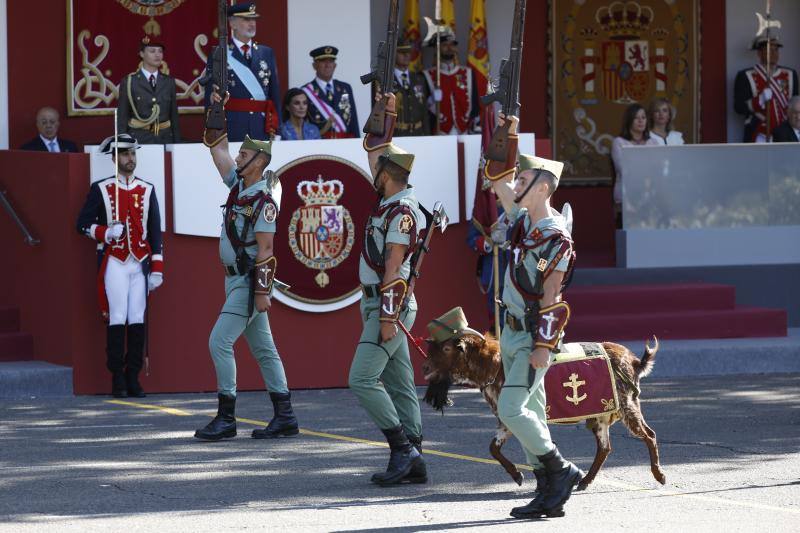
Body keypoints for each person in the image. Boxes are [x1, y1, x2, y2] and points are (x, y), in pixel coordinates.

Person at [488, 115, 582, 519]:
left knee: (511, 409)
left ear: (542, 188)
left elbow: (551, 296)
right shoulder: (525, 221)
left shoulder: (555, 237)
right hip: (511, 332)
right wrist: (506, 132)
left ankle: (560, 470)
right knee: (534, 413)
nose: (515, 185)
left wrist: (543, 347)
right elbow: (497, 178)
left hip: (532, 337)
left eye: (523, 180)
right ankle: (548, 491)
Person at [195, 88, 298, 442]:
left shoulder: (264, 201)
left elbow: (267, 250)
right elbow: (218, 150)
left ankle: (227, 417)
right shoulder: (238, 185)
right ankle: (285, 416)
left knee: (219, 342)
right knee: (265, 349)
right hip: (235, 280)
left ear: (258, 161)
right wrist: (217, 111)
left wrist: (262, 293)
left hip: (249, 281)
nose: (237, 156)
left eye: (243, 154)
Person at [348, 91, 427, 486]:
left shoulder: (402, 211)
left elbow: (394, 269)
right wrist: (385, 113)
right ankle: (415, 456)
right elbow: (375, 151)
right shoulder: (390, 202)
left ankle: (402, 450)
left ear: (387, 175)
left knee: (362, 378)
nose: (372, 173)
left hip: (389, 305)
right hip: (382, 304)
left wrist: (386, 318)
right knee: (398, 382)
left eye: (377, 170)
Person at [75, 134, 164, 398]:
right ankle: (117, 377)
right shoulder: (101, 188)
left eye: (133, 153)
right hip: (114, 260)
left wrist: (157, 268)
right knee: (117, 316)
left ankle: (133, 376)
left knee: (137, 317)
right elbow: (81, 224)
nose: (130, 158)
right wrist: (104, 232)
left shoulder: (147, 189)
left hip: (140, 262)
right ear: (115, 158)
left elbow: (155, 232)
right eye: (125, 154)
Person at [203, 2, 281, 142]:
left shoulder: (266, 53)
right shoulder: (220, 53)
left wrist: (278, 129)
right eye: (246, 19)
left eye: (254, 19)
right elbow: (211, 95)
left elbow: (274, 94)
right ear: (232, 24)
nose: (252, 23)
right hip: (233, 127)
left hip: (261, 127)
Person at [117, 37, 181, 144]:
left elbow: (174, 117)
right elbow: (122, 118)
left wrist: (177, 144)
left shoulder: (168, 82)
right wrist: (122, 145)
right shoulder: (129, 82)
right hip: (139, 139)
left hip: (164, 138)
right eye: (152, 51)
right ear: (142, 54)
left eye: (160, 51)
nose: (157, 55)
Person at [734, 36, 798, 143]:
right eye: (769, 50)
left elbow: (796, 103)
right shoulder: (745, 75)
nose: (773, 53)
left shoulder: (790, 74)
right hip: (759, 133)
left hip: (786, 132)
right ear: (759, 53)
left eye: (776, 50)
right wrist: (759, 100)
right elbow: (739, 107)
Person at [423, 27, 479, 135]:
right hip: (439, 132)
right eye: (445, 45)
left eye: (452, 45)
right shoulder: (426, 75)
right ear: (436, 49)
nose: (449, 48)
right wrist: (430, 100)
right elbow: (421, 108)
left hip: (465, 131)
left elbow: (475, 105)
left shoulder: (468, 73)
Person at [302, 46, 360, 138]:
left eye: (331, 61)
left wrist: (357, 143)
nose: (327, 65)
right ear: (314, 65)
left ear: (335, 65)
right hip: (319, 143)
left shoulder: (345, 88)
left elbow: (353, 121)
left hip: (345, 142)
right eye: (323, 61)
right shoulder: (306, 91)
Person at [466, 207, 508, 332]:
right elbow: (472, 239)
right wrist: (489, 241)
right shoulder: (486, 205)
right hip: (495, 272)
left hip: (519, 272)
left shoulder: (525, 202)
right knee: (496, 320)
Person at [611, 103, 659, 208]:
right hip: (626, 194)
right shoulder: (619, 142)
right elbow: (624, 170)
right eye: (636, 118)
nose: (641, 121)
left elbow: (657, 169)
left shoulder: (653, 142)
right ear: (629, 120)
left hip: (650, 193)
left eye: (643, 117)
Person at [391, 40, 430, 136]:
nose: (406, 55)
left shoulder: (419, 79)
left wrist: (427, 135)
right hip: (397, 134)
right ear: (393, 55)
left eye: (408, 52)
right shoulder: (387, 80)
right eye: (401, 52)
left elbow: (424, 110)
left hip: (418, 133)